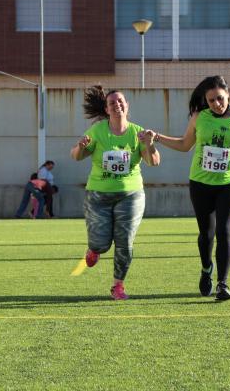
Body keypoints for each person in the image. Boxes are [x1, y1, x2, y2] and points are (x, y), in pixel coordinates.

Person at [145, 75, 230, 301]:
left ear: (229, 95)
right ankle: (206, 268)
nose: (217, 104)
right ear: (206, 102)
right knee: (206, 234)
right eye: (211, 101)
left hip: (227, 183)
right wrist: (157, 137)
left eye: (220, 99)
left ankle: (223, 283)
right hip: (200, 183)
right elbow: (184, 144)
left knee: (224, 232)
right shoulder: (199, 117)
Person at [70, 85, 160, 300]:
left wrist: (150, 145)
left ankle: (118, 285)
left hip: (131, 195)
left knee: (125, 242)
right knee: (100, 244)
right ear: (107, 109)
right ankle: (93, 250)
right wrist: (81, 147)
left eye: (121, 101)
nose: (117, 105)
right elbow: (75, 156)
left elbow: (153, 162)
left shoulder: (138, 133)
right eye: (112, 103)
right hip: (98, 196)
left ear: (127, 106)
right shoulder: (97, 131)